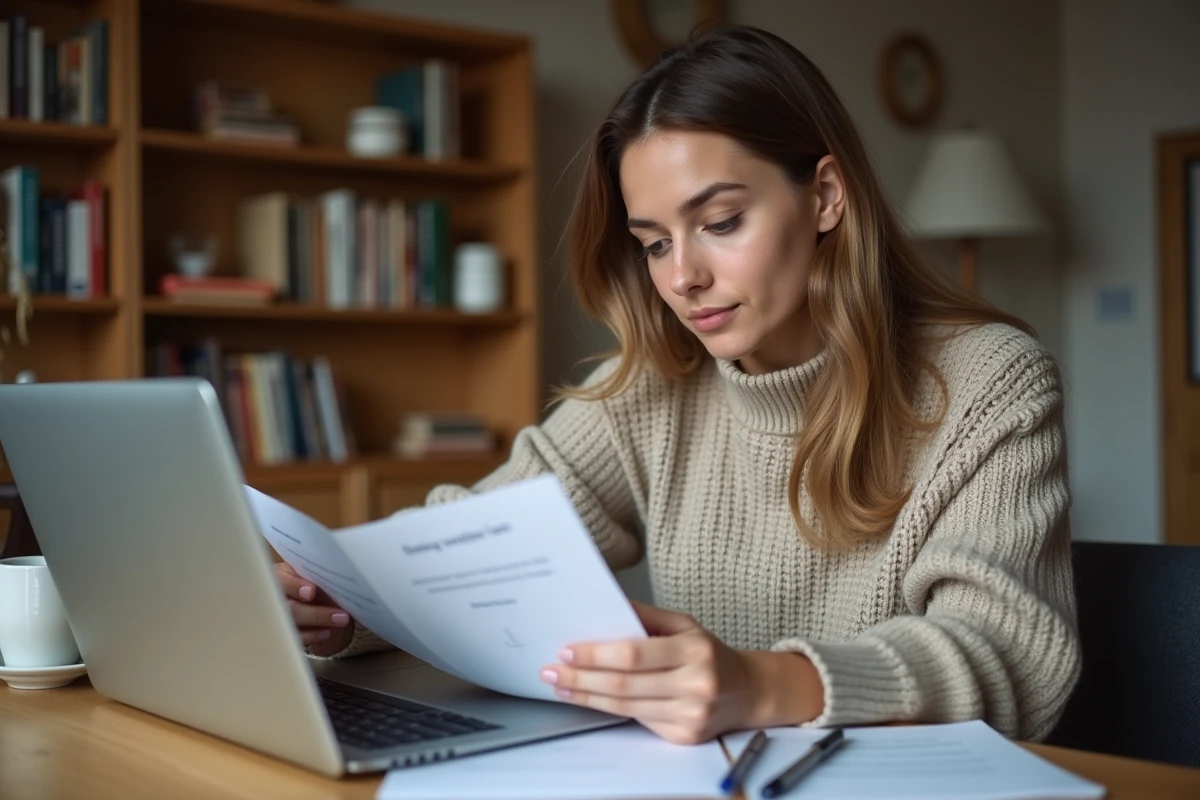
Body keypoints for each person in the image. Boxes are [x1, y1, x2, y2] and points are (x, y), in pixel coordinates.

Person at [276, 24, 1080, 746]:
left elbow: (1009, 657)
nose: (683, 277)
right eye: (654, 243)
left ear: (826, 196)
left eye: (721, 223)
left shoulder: (990, 379)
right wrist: (335, 598)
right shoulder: (652, 388)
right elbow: (472, 553)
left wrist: (766, 685)